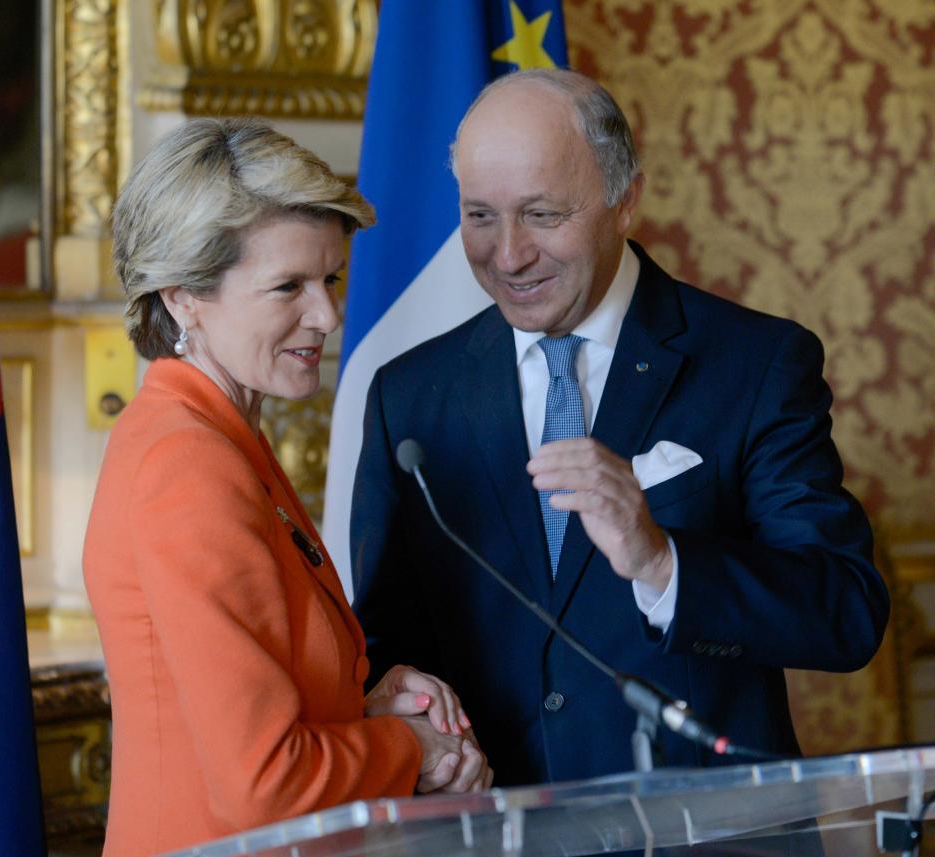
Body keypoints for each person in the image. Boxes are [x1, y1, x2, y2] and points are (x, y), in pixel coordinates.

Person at [350, 69, 890, 787]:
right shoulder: (409, 395)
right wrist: (406, 709)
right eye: (481, 215)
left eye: (541, 215)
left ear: (625, 198)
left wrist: (663, 562)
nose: (507, 254)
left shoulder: (755, 363)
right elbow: (386, 644)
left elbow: (845, 611)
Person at [84, 118, 491, 857]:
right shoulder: (189, 463)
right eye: (288, 287)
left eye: (330, 278)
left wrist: (365, 709)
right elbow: (263, 780)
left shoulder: (218, 435)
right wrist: (410, 747)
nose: (328, 315)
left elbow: (246, 717)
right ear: (183, 298)